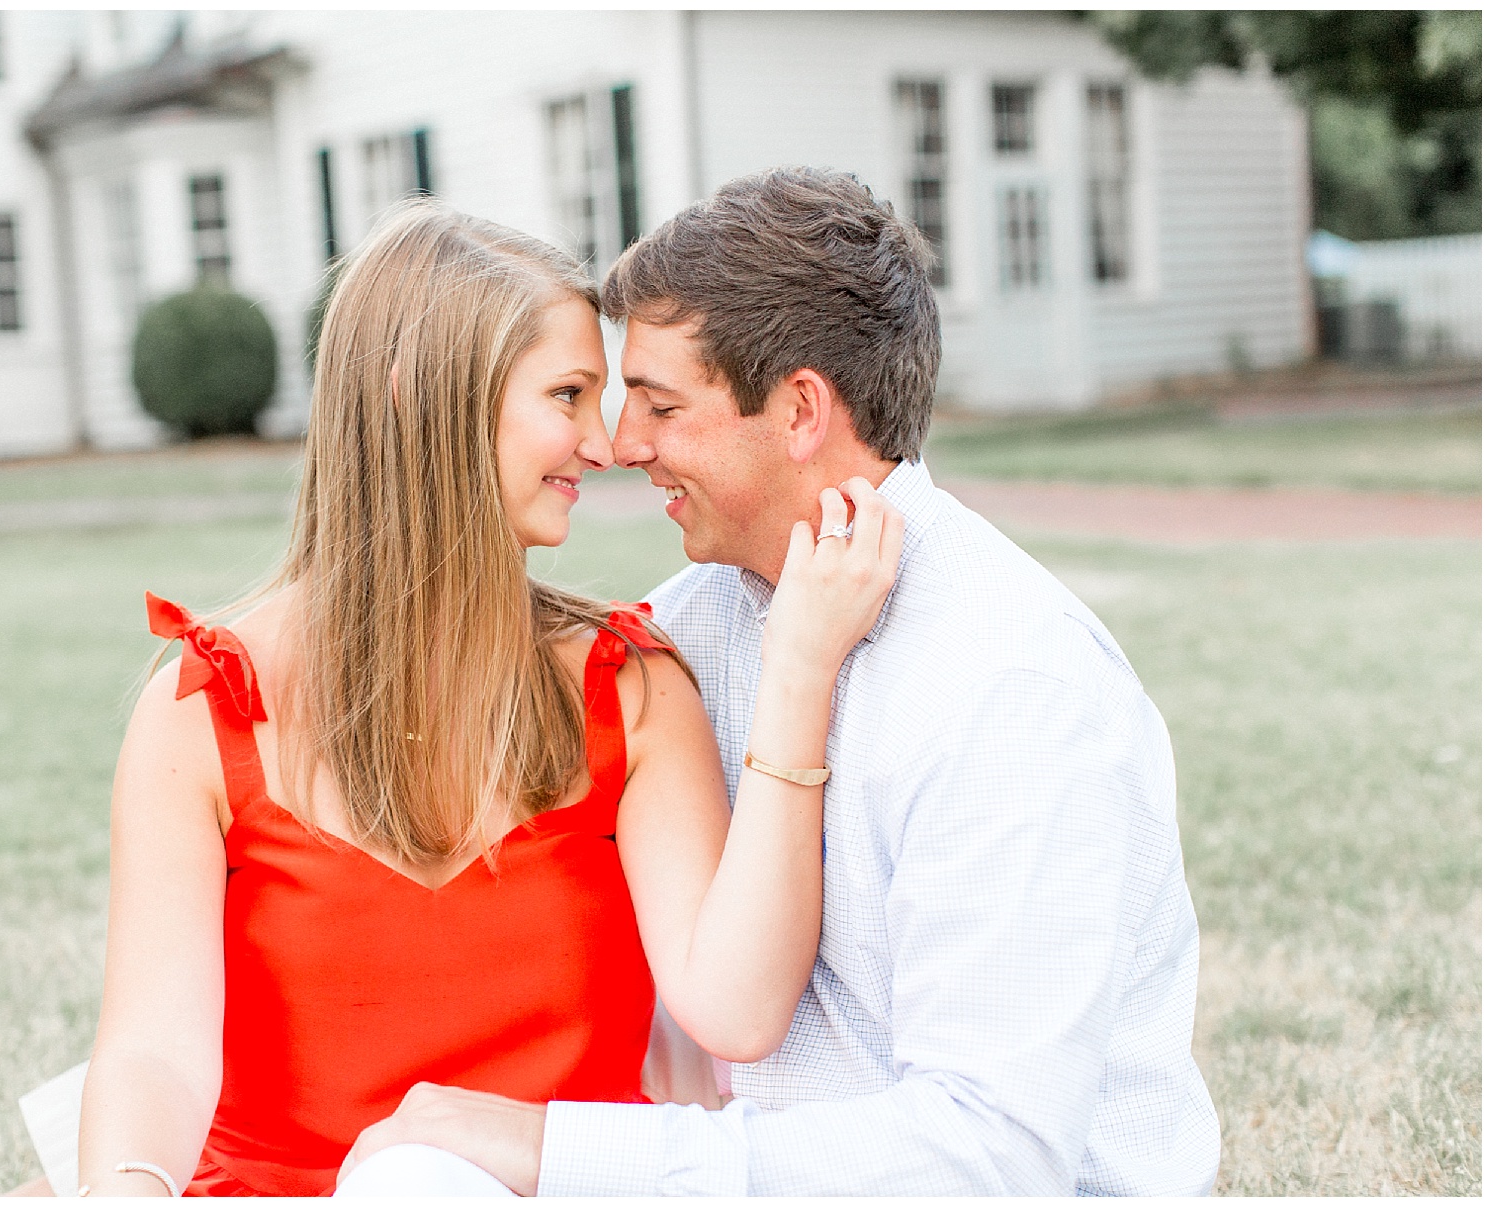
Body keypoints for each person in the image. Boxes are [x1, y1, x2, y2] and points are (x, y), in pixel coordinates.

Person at [341, 167, 1222, 1195]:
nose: (623, 445)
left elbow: (992, 1159)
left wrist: (555, 1149)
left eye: (660, 405)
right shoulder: (684, 631)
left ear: (801, 410)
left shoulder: (1012, 687)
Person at [73, 199, 903, 1196]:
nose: (604, 445)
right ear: (421, 395)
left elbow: (738, 1007)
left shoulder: (628, 689)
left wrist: (799, 672)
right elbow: (154, 1053)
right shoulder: (204, 711)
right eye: (568, 393)